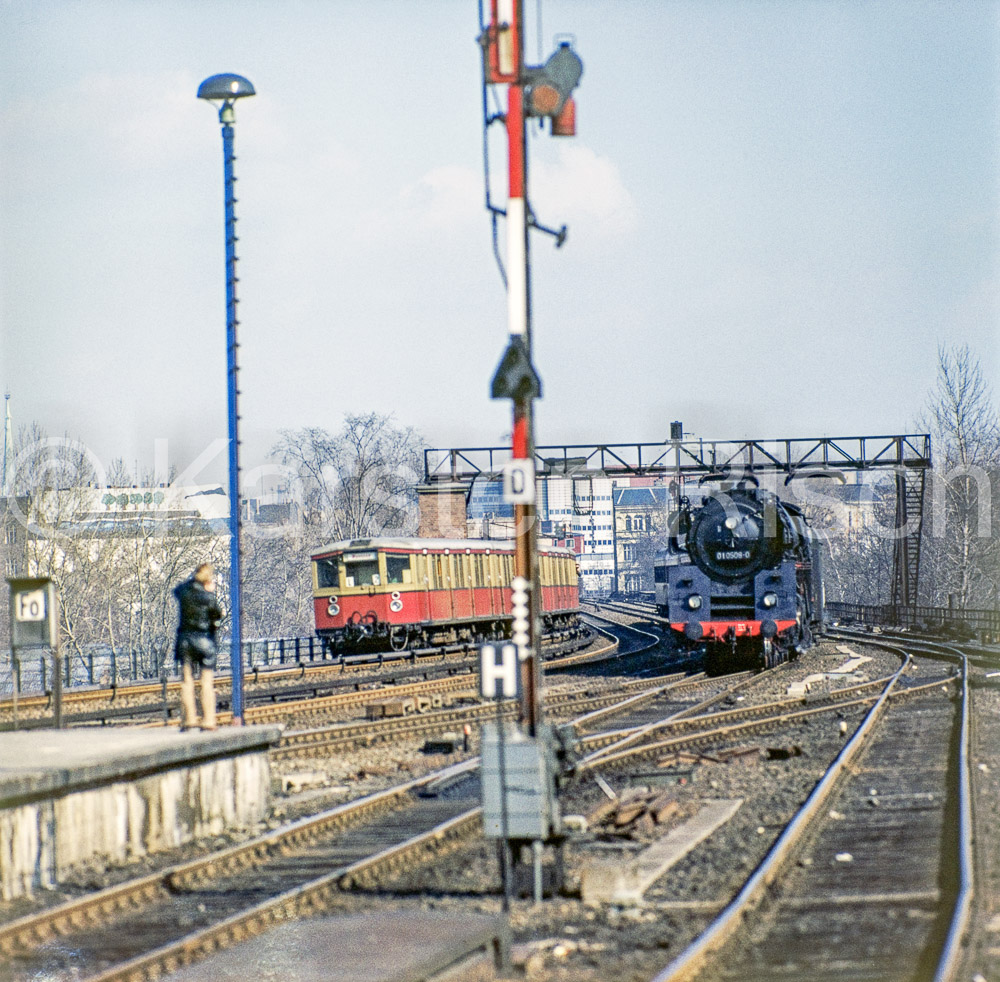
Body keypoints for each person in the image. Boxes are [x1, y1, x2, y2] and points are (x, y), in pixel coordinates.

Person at [174, 563, 223, 730]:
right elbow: (217, 615)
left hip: (185, 640)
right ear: (209, 579)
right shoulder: (208, 597)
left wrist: (191, 583)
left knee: (187, 681)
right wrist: (209, 591)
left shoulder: (184, 591)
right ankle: (208, 720)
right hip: (204, 640)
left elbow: (177, 590)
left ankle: (189, 720)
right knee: (206, 682)